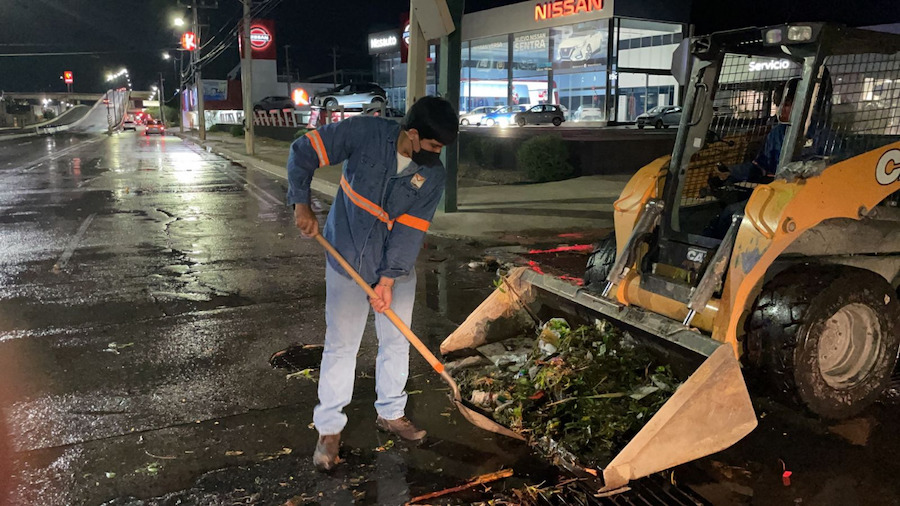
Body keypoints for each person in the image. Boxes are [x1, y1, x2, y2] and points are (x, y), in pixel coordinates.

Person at [286, 96, 459, 472]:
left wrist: (387, 280)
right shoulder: (364, 132)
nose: (436, 154)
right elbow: (304, 149)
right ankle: (329, 429)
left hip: (394, 268)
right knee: (341, 346)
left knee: (396, 340)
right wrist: (301, 203)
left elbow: (411, 230)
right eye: (432, 146)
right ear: (412, 134)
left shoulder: (433, 175)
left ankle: (392, 412)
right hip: (347, 257)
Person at [704, 79, 798, 238]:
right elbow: (760, 165)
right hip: (776, 192)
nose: (781, 108)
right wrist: (730, 172)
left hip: (795, 197)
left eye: (786, 104)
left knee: (733, 214)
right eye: (778, 103)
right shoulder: (777, 133)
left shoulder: (819, 134)